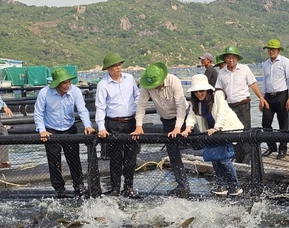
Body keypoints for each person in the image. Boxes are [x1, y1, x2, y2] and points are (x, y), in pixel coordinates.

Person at [34, 68, 95, 198]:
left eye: (69, 82)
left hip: (69, 128)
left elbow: (82, 109)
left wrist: (87, 125)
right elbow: (38, 113)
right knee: (54, 160)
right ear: (56, 84)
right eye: (64, 83)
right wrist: (42, 130)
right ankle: (59, 188)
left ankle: (79, 185)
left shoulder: (75, 91)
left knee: (74, 158)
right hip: (51, 129)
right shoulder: (44, 93)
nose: (67, 85)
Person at [133, 62, 190, 197]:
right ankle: (183, 185)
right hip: (166, 120)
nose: (154, 87)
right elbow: (141, 105)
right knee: (173, 153)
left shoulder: (173, 81)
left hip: (184, 117)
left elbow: (181, 106)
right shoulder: (147, 85)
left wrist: (178, 127)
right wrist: (139, 125)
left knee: (198, 144)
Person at [182, 74, 244, 196]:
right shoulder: (197, 103)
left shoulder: (218, 95)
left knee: (225, 159)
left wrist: (217, 127)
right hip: (210, 131)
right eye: (196, 92)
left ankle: (235, 186)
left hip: (224, 129)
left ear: (207, 90)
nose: (199, 94)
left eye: (201, 91)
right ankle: (222, 185)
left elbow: (222, 112)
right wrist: (187, 128)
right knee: (215, 160)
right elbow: (191, 116)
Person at [95, 52, 140, 197]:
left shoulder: (130, 78)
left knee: (131, 157)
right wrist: (101, 128)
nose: (118, 67)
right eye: (114, 65)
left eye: (120, 64)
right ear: (108, 68)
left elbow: (137, 96)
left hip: (131, 122)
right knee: (115, 157)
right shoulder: (103, 85)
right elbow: (100, 107)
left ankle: (129, 187)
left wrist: (139, 120)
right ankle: (115, 188)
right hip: (113, 123)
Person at [215, 46, 269, 164]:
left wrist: (261, 98)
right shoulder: (222, 73)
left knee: (244, 131)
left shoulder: (244, 69)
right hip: (229, 106)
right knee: (232, 131)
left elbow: (253, 84)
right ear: (225, 59)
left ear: (237, 58)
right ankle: (237, 156)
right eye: (228, 57)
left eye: (233, 57)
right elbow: (218, 89)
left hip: (243, 104)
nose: (231, 60)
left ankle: (247, 156)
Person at [260, 39, 289, 158]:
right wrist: (262, 98)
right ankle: (271, 146)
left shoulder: (285, 62)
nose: (271, 51)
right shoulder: (265, 64)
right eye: (269, 49)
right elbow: (264, 82)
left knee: (283, 123)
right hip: (268, 96)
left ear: (278, 50)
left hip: (282, 95)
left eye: (274, 49)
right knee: (265, 122)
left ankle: (283, 149)